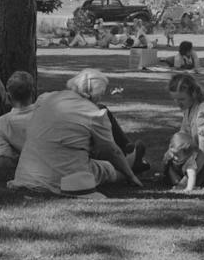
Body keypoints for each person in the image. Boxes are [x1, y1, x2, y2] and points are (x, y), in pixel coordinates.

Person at [11, 69, 147, 194]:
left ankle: (134, 159)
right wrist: (131, 176)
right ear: (94, 95)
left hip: (27, 175)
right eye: (101, 95)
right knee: (106, 169)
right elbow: (111, 151)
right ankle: (132, 164)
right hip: (64, 178)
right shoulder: (94, 113)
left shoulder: (44, 98)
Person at [0, 71, 37, 171]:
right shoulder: (48, 113)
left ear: (9, 96)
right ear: (33, 92)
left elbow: (3, 162)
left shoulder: (2, 123)